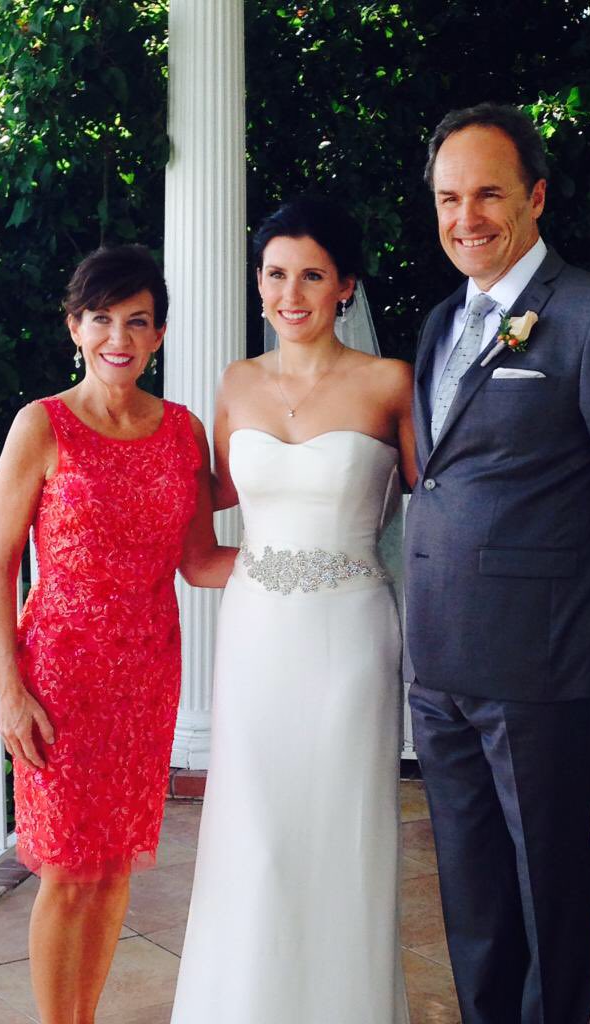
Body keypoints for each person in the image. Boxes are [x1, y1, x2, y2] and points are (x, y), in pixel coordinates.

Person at [405, 102, 590, 1024]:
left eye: (488, 192)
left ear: (537, 196)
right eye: (449, 196)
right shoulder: (443, 321)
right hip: (438, 661)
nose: (466, 216)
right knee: (472, 894)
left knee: (547, 894)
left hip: (541, 664)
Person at [169, 197, 417, 1024]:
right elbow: (205, 506)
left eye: (312, 274)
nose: (291, 293)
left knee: (342, 832)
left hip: (351, 633)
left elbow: (445, 509)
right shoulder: (237, 383)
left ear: (346, 286)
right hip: (256, 631)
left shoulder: (390, 383)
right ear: (259, 283)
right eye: (276, 274)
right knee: (256, 832)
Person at [0, 244, 236, 1024]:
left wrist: (312, 564)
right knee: (67, 869)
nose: (117, 338)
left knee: (115, 864)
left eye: (136, 322)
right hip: (59, 672)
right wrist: (8, 690)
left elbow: (199, 561)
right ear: (74, 326)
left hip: (147, 673)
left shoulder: (183, 431)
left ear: (158, 336)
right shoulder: (43, 425)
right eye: (101, 320)